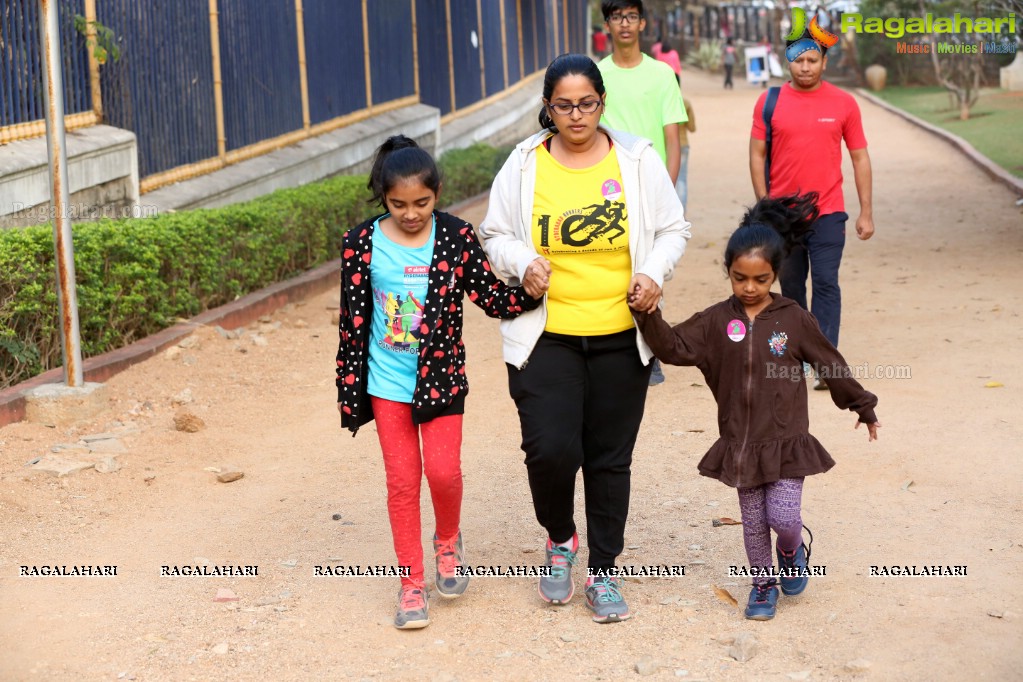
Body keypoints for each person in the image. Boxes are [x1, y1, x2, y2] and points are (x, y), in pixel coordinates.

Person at [478, 53, 690, 624]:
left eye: (588, 103)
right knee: (549, 450)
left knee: (608, 459)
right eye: (564, 105)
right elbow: (493, 233)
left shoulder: (637, 160)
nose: (577, 115)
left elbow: (673, 228)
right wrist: (522, 261)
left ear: (602, 103)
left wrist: (651, 272)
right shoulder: (523, 165)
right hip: (546, 336)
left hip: (622, 337)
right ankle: (560, 538)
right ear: (547, 106)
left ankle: (602, 570)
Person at [630, 193, 880, 621]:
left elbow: (829, 363)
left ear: (775, 274)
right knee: (751, 524)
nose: (749, 288)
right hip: (741, 442)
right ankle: (762, 587)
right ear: (728, 272)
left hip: (785, 441)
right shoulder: (714, 320)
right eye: (740, 278)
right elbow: (672, 347)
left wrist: (862, 405)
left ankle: (792, 548)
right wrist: (647, 313)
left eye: (760, 279)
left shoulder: (794, 318)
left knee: (783, 516)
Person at [335, 135, 544, 629]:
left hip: (442, 381)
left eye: (422, 203)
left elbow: (491, 297)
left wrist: (529, 292)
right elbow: (353, 321)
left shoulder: (454, 236)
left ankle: (447, 540)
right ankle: (411, 585)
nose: (411, 213)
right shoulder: (361, 244)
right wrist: (350, 385)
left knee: (444, 474)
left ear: (438, 192)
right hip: (386, 385)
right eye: (398, 204)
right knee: (402, 482)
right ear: (383, 198)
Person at [748, 27, 875, 389]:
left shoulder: (844, 103)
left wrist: (866, 211)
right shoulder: (769, 102)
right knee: (790, 285)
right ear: (788, 61)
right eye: (798, 60)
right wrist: (764, 204)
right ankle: (798, 355)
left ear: (824, 61)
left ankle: (824, 360)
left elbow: (860, 158)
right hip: (784, 217)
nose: (804, 67)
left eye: (812, 60)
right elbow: (757, 154)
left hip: (829, 211)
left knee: (825, 281)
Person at [597, 0, 688, 387]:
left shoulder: (662, 74)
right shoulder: (596, 74)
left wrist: (664, 189)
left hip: (653, 183)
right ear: (608, 24)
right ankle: (616, 346)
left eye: (631, 17)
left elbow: (673, 138)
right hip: (608, 188)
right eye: (617, 17)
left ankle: (650, 352)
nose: (625, 24)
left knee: (651, 264)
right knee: (612, 262)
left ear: (642, 22)